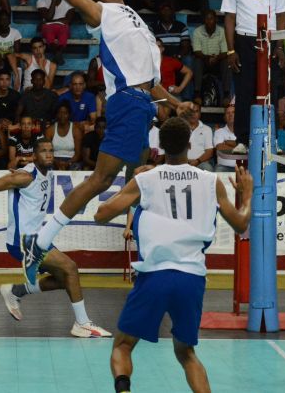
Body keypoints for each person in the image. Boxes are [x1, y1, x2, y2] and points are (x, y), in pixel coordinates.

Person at [19, 0, 194, 285]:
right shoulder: (104, 12)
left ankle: (151, 257)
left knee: (139, 181)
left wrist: (176, 103)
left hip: (142, 105)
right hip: (127, 102)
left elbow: (151, 84)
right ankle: (40, 242)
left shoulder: (133, 16)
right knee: (102, 180)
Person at [94, 117, 252, 393]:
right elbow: (241, 225)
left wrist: (133, 186)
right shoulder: (211, 180)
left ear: (161, 146)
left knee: (122, 345)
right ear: (190, 145)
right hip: (192, 277)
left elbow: (101, 214)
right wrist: (247, 195)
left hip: (154, 274)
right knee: (186, 353)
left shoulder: (145, 179)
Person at [0, 140, 111, 338]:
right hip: (23, 241)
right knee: (70, 268)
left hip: (39, 237)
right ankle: (82, 323)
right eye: (43, 151)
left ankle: (17, 291)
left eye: (51, 150)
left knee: (67, 279)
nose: (49, 154)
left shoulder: (49, 172)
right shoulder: (25, 177)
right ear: (34, 156)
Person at [222, 0, 285, 150]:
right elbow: (229, 18)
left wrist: (279, 46)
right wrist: (231, 50)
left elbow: (282, 16)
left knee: (271, 93)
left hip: (269, 42)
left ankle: (272, 140)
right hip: (244, 41)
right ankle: (242, 140)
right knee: (244, 93)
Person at [191, 9, 231, 106]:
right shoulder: (197, 32)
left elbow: (225, 52)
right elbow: (197, 52)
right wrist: (208, 58)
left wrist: (216, 58)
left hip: (218, 62)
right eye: (207, 19)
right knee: (197, 61)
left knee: (226, 61)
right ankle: (197, 95)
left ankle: (226, 96)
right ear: (204, 20)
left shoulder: (222, 31)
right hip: (204, 61)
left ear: (216, 19)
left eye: (211, 19)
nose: (209, 21)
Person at [36, 0, 74, 66]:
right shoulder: (41, 1)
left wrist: (47, 21)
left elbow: (68, 20)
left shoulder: (70, 2)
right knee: (48, 31)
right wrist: (54, 0)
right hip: (47, 27)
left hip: (62, 26)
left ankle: (57, 54)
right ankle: (58, 54)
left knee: (64, 30)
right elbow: (49, 17)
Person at [45, 103, 81, 170]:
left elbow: (78, 154)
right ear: (56, 114)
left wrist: (68, 163)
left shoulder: (76, 130)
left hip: (71, 160)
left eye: (65, 113)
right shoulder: (50, 130)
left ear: (69, 114)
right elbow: (47, 152)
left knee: (76, 169)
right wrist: (56, 162)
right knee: (47, 168)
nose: (62, 116)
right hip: (53, 159)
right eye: (60, 113)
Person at [183, 103, 214, 172]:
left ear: (200, 113)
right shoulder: (180, 128)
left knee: (208, 169)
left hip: (201, 162)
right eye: (191, 111)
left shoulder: (207, 129)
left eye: (196, 111)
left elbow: (209, 151)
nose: (193, 114)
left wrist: (197, 161)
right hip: (182, 162)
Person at [213, 104, 237, 172]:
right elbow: (220, 148)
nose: (230, 115)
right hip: (223, 167)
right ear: (224, 117)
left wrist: (227, 143)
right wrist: (239, 147)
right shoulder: (219, 132)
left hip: (241, 166)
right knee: (219, 170)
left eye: (233, 112)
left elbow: (247, 148)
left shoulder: (244, 133)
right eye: (228, 113)